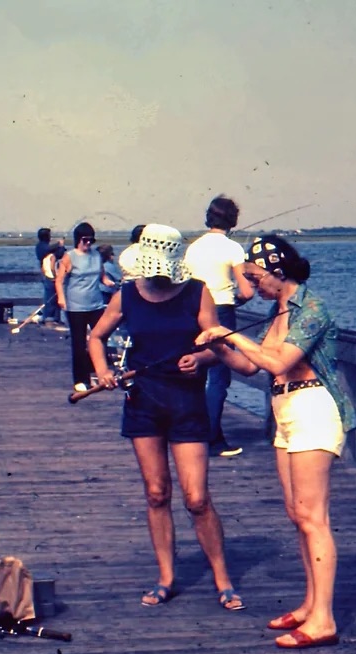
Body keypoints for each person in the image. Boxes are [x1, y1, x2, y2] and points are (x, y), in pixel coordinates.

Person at [196, 235, 356, 649]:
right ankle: (309, 605)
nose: (252, 285)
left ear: (277, 270)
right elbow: (252, 366)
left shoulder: (312, 308)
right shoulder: (277, 311)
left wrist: (228, 332)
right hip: (284, 412)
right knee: (295, 513)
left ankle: (324, 620)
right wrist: (218, 347)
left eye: (255, 276)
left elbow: (280, 361)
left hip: (314, 409)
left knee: (312, 517)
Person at [88, 224, 246, 612]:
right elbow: (96, 337)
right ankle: (166, 578)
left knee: (196, 499)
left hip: (187, 402)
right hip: (143, 400)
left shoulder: (197, 292)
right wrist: (104, 371)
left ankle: (223, 581)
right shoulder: (127, 294)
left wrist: (201, 358)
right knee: (156, 493)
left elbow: (217, 345)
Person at [184, 195, 255, 458]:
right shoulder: (233, 248)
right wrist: (236, 298)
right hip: (221, 311)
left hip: (192, 312)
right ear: (232, 220)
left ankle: (192, 434)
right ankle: (212, 438)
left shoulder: (193, 247)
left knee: (196, 371)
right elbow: (247, 291)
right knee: (218, 377)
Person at [55, 222, 113, 391]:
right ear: (78, 240)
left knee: (100, 338)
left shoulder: (96, 255)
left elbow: (101, 276)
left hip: (96, 304)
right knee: (79, 343)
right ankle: (81, 379)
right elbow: (60, 280)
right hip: (76, 306)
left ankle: (99, 372)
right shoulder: (70, 256)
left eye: (91, 240)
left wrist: (109, 283)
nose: (88, 244)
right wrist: (61, 298)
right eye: (85, 240)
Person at [34, 228, 66, 327]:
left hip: (49, 274)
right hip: (48, 275)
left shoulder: (47, 248)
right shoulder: (41, 247)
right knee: (49, 298)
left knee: (56, 298)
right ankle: (48, 318)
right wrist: (58, 244)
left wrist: (61, 246)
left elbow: (60, 254)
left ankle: (55, 318)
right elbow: (48, 250)